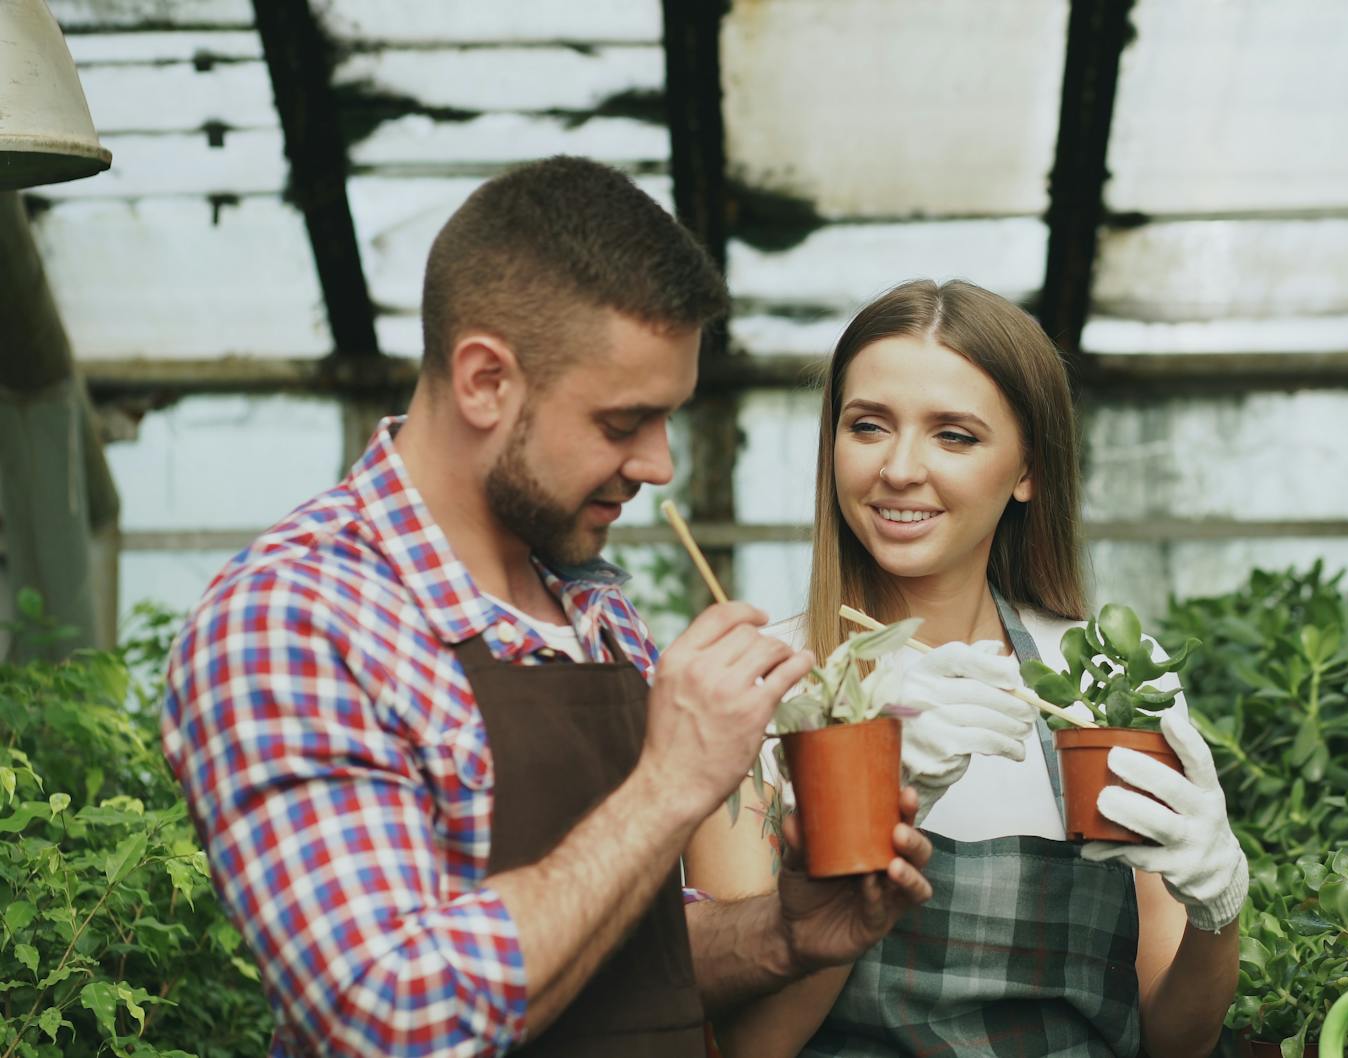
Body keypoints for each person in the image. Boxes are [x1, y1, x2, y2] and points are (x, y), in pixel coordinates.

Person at [159, 156, 934, 1058]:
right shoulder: (293, 621)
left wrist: (783, 935)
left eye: (669, 418)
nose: (659, 466)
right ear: (486, 380)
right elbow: (385, 1017)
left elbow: (624, 958)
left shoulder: (591, 607)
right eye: (622, 422)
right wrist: (668, 785)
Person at [685, 279, 1248, 1057]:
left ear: (1028, 471)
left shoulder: (1105, 682)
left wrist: (1219, 911)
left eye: (955, 435)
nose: (900, 468)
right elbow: (750, 1049)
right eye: (868, 426)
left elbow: (1173, 1040)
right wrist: (868, 823)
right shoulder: (761, 691)